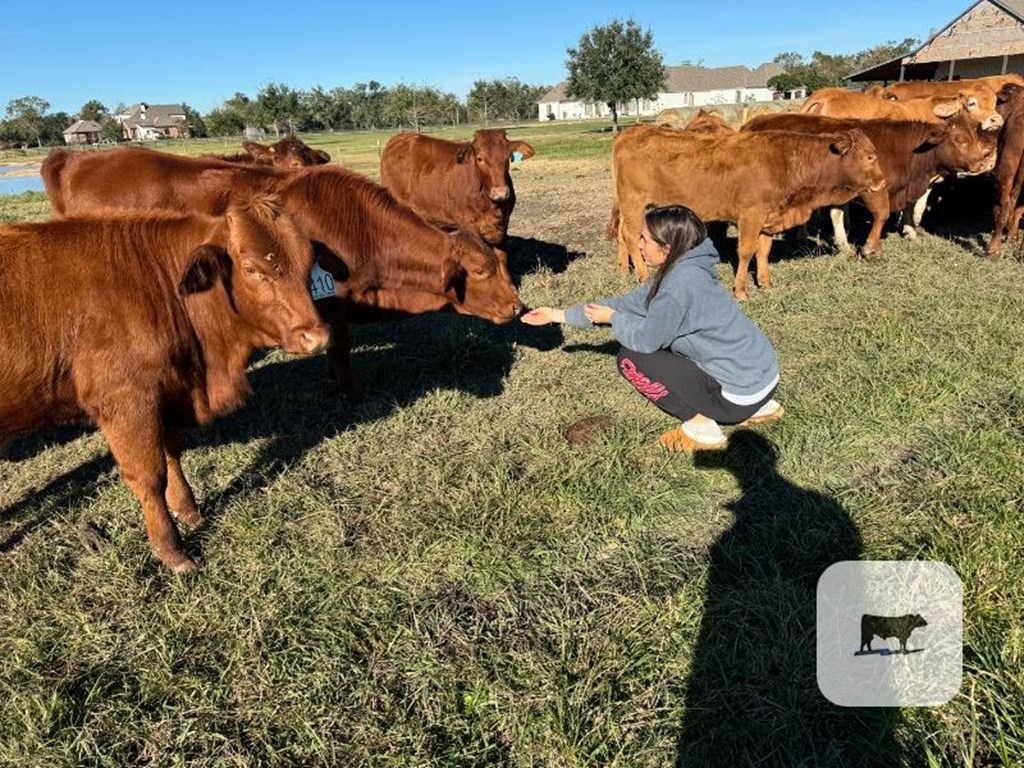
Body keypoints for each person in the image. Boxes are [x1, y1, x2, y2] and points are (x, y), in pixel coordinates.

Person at [521, 204, 783, 451]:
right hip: (764, 381)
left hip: (736, 399)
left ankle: (701, 431)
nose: (639, 244)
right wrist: (558, 315)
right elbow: (630, 304)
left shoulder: (677, 288)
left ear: (667, 248)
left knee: (630, 358)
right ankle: (760, 408)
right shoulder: (691, 266)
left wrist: (614, 319)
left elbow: (646, 341)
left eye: (645, 239)